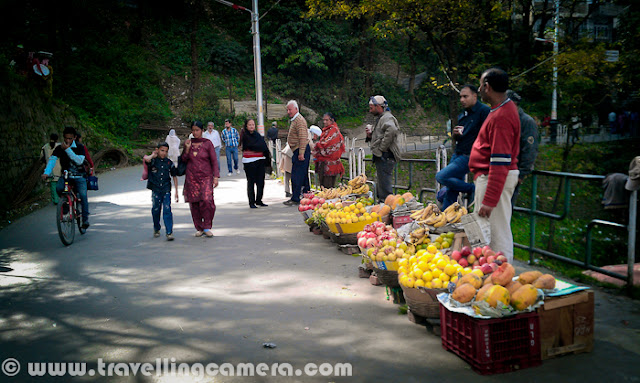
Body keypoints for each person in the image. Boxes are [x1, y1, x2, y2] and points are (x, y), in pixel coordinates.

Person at [469, 68, 520, 262]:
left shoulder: (502, 116)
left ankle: (501, 275)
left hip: (494, 178)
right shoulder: (500, 110)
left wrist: (490, 199)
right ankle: (491, 273)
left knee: (496, 233)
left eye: (481, 85)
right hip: (490, 176)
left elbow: (500, 161)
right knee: (488, 231)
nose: (479, 89)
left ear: (487, 87)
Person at [435, 85, 490, 209]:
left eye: (465, 96)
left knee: (442, 176)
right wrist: (455, 135)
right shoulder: (464, 114)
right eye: (460, 97)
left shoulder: (484, 111)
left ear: (475, 96)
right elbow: (462, 136)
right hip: (458, 152)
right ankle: (447, 218)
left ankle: (471, 189)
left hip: (470, 155)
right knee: (451, 190)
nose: (462, 100)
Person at [41, 126, 90, 229]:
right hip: (66, 176)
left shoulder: (80, 147)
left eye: (70, 138)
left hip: (79, 176)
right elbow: (52, 160)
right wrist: (46, 172)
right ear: (63, 137)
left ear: (74, 137)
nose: (67, 141)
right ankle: (66, 206)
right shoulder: (59, 148)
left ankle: (85, 219)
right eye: (66, 138)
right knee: (59, 188)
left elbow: (79, 161)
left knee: (83, 195)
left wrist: (68, 150)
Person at [181, 121, 219, 237]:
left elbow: (214, 161)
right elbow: (183, 160)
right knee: (194, 203)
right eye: (193, 130)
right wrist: (187, 149)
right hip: (192, 177)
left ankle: (207, 226)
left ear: (202, 131)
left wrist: (216, 177)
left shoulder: (208, 143)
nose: (195, 132)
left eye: (197, 130)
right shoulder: (188, 143)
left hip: (206, 177)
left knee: (207, 200)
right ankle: (199, 227)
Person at [365, 95, 402, 202]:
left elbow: (392, 130)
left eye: (371, 108)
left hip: (386, 156)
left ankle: (387, 208)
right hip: (382, 156)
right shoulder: (382, 118)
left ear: (378, 106)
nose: (370, 110)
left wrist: (382, 148)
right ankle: (384, 206)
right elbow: (382, 134)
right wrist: (370, 135)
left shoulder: (387, 117)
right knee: (382, 183)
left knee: (385, 186)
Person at [506, 90, 539, 207]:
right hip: (499, 171)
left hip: (513, 172)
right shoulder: (506, 120)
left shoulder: (526, 122)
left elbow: (530, 149)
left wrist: (521, 174)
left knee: (506, 210)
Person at [143, 142, 178, 241]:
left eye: (166, 151)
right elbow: (146, 160)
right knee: (156, 209)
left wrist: (176, 192)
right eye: (162, 150)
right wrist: (153, 155)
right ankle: (156, 228)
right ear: (157, 150)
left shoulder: (169, 163)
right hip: (156, 189)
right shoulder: (153, 161)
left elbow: (174, 176)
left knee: (167, 209)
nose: (164, 153)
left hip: (166, 189)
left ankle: (169, 232)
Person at [283, 100, 309, 206]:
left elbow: (303, 137)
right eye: (287, 110)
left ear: (296, 109)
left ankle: (295, 197)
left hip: (300, 149)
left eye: (290, 109)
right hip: (297, 149)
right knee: (302, 174)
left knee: (296, 175)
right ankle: (306, 194)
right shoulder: (295, 120)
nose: (288, 112)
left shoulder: (299, 120)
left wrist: (301, 152)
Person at [240, 119, 270, 208]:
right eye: (249, 125)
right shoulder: (245, 136)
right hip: (249, 162)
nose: (251, 126)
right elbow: (251, 145)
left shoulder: (257, 135)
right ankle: (251, 202)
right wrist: (258, 147)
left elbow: (263, 146)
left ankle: (259, 200)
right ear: (246, 126)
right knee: (251, 182)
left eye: (253, 124)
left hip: (260, 160)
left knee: (260, 182)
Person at [312, 113, 345, 189]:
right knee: (323, 186)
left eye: (326, 120)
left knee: (328, 186)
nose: (324, 122)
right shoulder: (326, 131)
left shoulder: (334, 130)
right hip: (324, 163)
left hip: (330, 165)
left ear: (332, 120)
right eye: (324, 120)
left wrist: (318, 145)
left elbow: (328, 144)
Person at [41, 133, 61, 204]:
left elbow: (42, 158)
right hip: (59, 168)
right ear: (57, 139)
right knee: (60, 183)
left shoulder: (45, 147)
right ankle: (60, 198)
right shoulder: (59, 146)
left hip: (49, 169)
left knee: (53, 185)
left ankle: (55, 200)